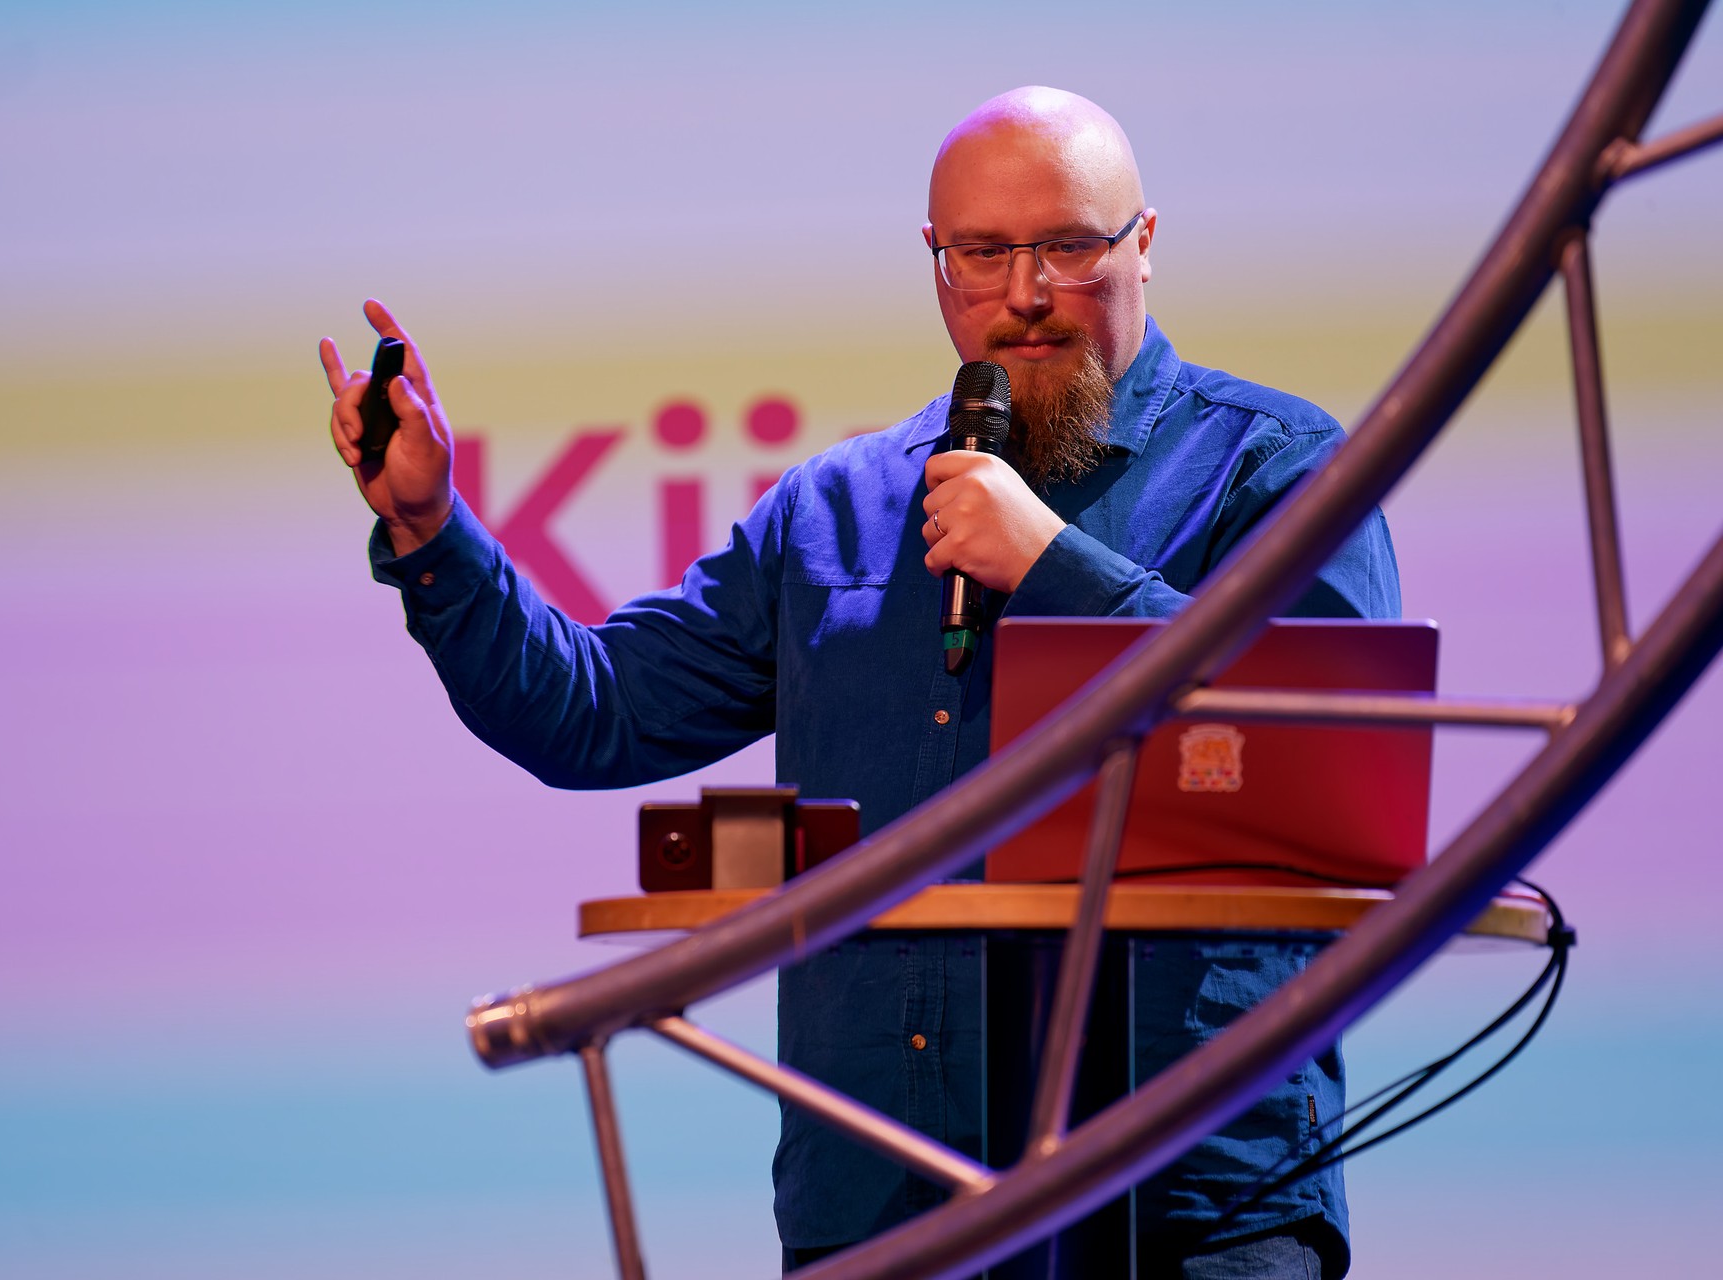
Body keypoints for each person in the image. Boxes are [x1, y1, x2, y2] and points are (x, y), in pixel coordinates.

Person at [320, 87, 1398, 1278]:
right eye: (982, 253)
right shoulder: (836, 508)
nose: (1025, 292)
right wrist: (430, 529)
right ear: (935, 260)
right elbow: (593, 711)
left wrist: (1052, 567)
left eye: (1067, 246)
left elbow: (1335, 766)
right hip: (880, 1200)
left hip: (1183, 1204)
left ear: (1143, 243)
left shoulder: (1273, 465)